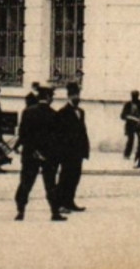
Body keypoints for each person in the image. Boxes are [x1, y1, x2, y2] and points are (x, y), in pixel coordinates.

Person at [15, 85, 67, 221]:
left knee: (25, 183)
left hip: (30, 154)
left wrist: (32, 150)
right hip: (48, 156)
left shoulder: (27, 112)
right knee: (50, 184)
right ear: (49, 97)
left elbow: (23, 134)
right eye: (52, 97)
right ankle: (55, 213)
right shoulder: (54, 114)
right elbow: (57, 138)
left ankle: (20, 211)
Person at [56, 82, 91, 213]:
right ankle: (60, 203)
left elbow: (83, 131)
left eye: (78, 94)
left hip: (78, 151)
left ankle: (70, 201)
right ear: (69, 96)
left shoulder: (81, 112)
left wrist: (85, 149)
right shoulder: (62, 112)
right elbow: (60, 134)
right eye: (74, 95)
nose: (77, 97)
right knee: (65, 177)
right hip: (67, 152)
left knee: (75, 178)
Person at [121, 91, 140, 159]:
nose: (134, 97)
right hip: (130, 125)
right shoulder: (128, 104)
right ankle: (127, 154)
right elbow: (122, 115)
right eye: (133, 95)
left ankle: (139, 155)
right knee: (130, 140)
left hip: (139, 124)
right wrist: (129, 117)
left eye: (135, 96)